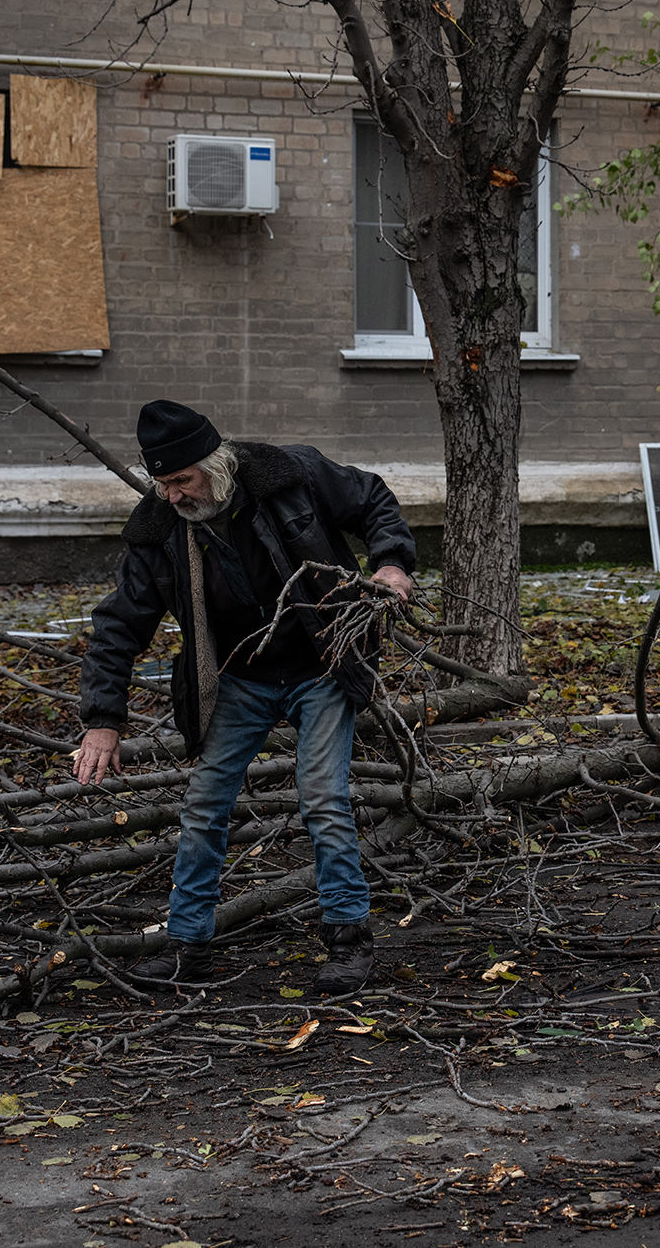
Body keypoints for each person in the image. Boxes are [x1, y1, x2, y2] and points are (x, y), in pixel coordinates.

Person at [73, 400, 416, 993]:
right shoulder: (158, 529)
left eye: (182, 480)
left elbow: (373, 499)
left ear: (218, 464)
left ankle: (348, 940)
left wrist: (390, 565)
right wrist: (103, 720)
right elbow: (118, 626)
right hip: (237, 679)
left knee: (323, 798)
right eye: (162, 483)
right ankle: (187, 944)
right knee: (204, 806)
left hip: (324, 664)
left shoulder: (290, 475)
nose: (173, 495)